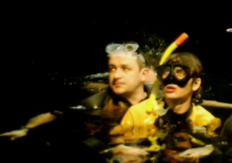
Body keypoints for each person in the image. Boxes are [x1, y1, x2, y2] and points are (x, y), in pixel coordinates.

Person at [1, 42, 152, 140]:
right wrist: (26, 130)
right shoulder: (97, 103)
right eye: (112, 68)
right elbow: (55, 113)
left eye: (125, 69)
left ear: (144, 74)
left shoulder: (161, 97)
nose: (116, 75)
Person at [110, 52, 220, 137]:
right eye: (166, 72)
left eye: (180, 72)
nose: (171, 79)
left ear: (195, 84)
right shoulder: (138, 114)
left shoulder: (207, 121)